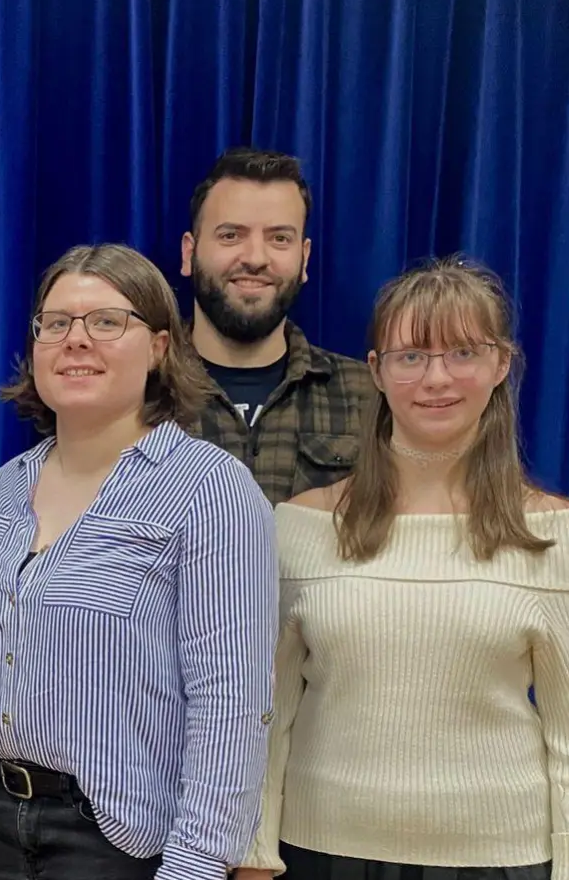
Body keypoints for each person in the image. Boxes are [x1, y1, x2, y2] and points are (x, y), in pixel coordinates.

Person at [0, 243, 279, 880]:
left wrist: (195, 866)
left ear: (160, 347)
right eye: (57, 323)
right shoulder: (7, 485)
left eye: (107, 322)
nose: (76, 341)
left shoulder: (212, 489)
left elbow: (231, 705)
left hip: (118, 842)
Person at [234, 257, 567, 880]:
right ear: (377, 373)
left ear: (501, 365)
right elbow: (266, 716)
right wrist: (254, 853)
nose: (435, 377)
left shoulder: (553, 536)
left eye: (463, 352)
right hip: (321, 855)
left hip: (498, 861)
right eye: (411, 356)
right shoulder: (300, 528)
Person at [181, 147, 376, 504]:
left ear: (304, 259)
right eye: (230, 235)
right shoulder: (138, 388)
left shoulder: (368, 395)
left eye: (279, 239)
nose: (255, 258)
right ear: (188, 254)